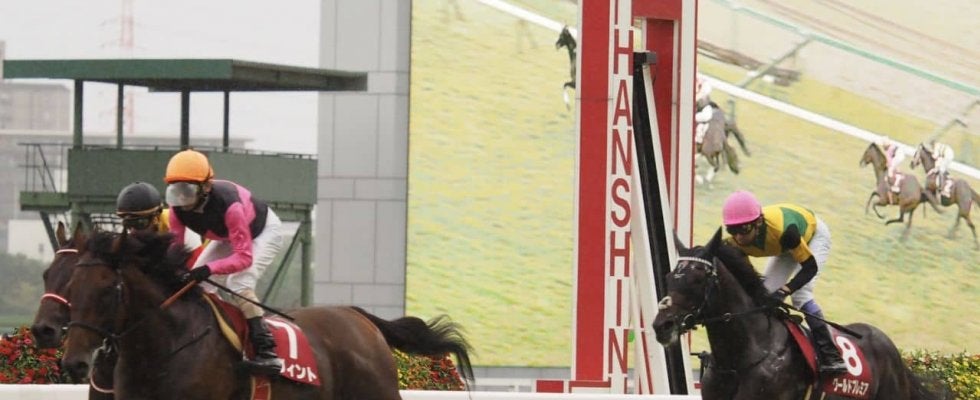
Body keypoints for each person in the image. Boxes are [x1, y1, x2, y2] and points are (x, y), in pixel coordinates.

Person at [162, 149, 285, 375]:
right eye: (175, 191)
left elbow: (244, 257)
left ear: (206, 187)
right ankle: (210, 338)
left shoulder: (231, 207)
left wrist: (208, 268)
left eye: (187, 191)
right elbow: (176, 251)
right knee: (198, 286)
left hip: (262, 233)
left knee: (239, 283)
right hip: (227, 236)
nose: (181, 199)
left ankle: (267, 352)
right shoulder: (176, 211)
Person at [721, 190, 848, 375]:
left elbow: (810, 268)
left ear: (758, 222)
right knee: (763, 296)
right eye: (733, 230)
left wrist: (785, 290)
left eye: (744, 229)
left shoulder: (785, 232)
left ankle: (832, 356)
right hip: (783, 247)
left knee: (800, 295)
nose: (739, 237)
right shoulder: (733, 242)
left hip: (812, 237)